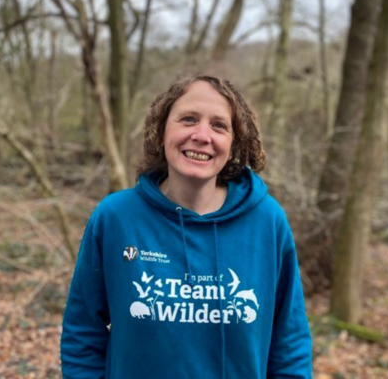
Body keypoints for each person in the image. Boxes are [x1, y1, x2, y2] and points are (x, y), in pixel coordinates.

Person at [60, 75, 312, 378]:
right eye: (188, 119)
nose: (202, 135)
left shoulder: (267, 221)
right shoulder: (116, 218)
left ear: (234, 142)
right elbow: (83, 332)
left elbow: (289, 342)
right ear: (162, 130)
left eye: (219, 125)